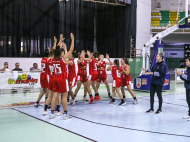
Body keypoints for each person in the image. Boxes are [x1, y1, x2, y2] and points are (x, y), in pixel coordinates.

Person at [49, 33, 74, 120]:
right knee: (64, 96)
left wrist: (58, 41)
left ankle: (52, 113)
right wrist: (72, 39)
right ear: (61, 52)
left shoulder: (52, 58)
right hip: (62, 79)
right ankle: (65, 114)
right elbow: (71, 50)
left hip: (54, 78)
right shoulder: (62, 59)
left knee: (54, 96)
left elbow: (54, 49)